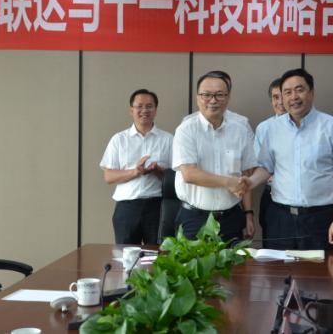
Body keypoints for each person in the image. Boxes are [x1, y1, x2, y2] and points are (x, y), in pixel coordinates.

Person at [246, 68, 333, 250]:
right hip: (280, 218)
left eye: (299, 90)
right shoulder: (272, 129)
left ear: (311, 92)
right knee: (278, 267)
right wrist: (249, 183)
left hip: (320, 218)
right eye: (287, 92)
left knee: (322, 268)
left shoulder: (332, 126)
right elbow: (266, 167)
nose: (294, 97)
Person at [172, 70, 256, 242]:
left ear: (228, 97)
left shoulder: (240, 130)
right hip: (195, 219)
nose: (213, 100)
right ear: (198, 98)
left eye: (219, 95)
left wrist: (248, 213)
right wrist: (228, 182)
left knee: (235, 261)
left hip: (231, 218)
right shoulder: (186, 130)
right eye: (206, 95)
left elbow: (247, 173)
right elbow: (189, 174)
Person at [99, 89, 173, 245]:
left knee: (158, 254)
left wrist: (159, 172)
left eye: (149, 106)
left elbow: (177, 178)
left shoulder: (168, 140)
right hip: (127, 208)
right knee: (125, 255)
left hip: (158, 207)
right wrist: (135, 171)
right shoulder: (119, 140)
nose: (144, 110)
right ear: (131, 110)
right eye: (139, 106)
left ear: (156, 110)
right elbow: (108, 177)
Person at [254, 78, 286, 247]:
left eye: (283, 96)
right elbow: (258, 163)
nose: (280, 102)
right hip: (271, 194)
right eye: (275, 97)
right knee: (271, 247)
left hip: (300, 200)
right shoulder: (264, 128)